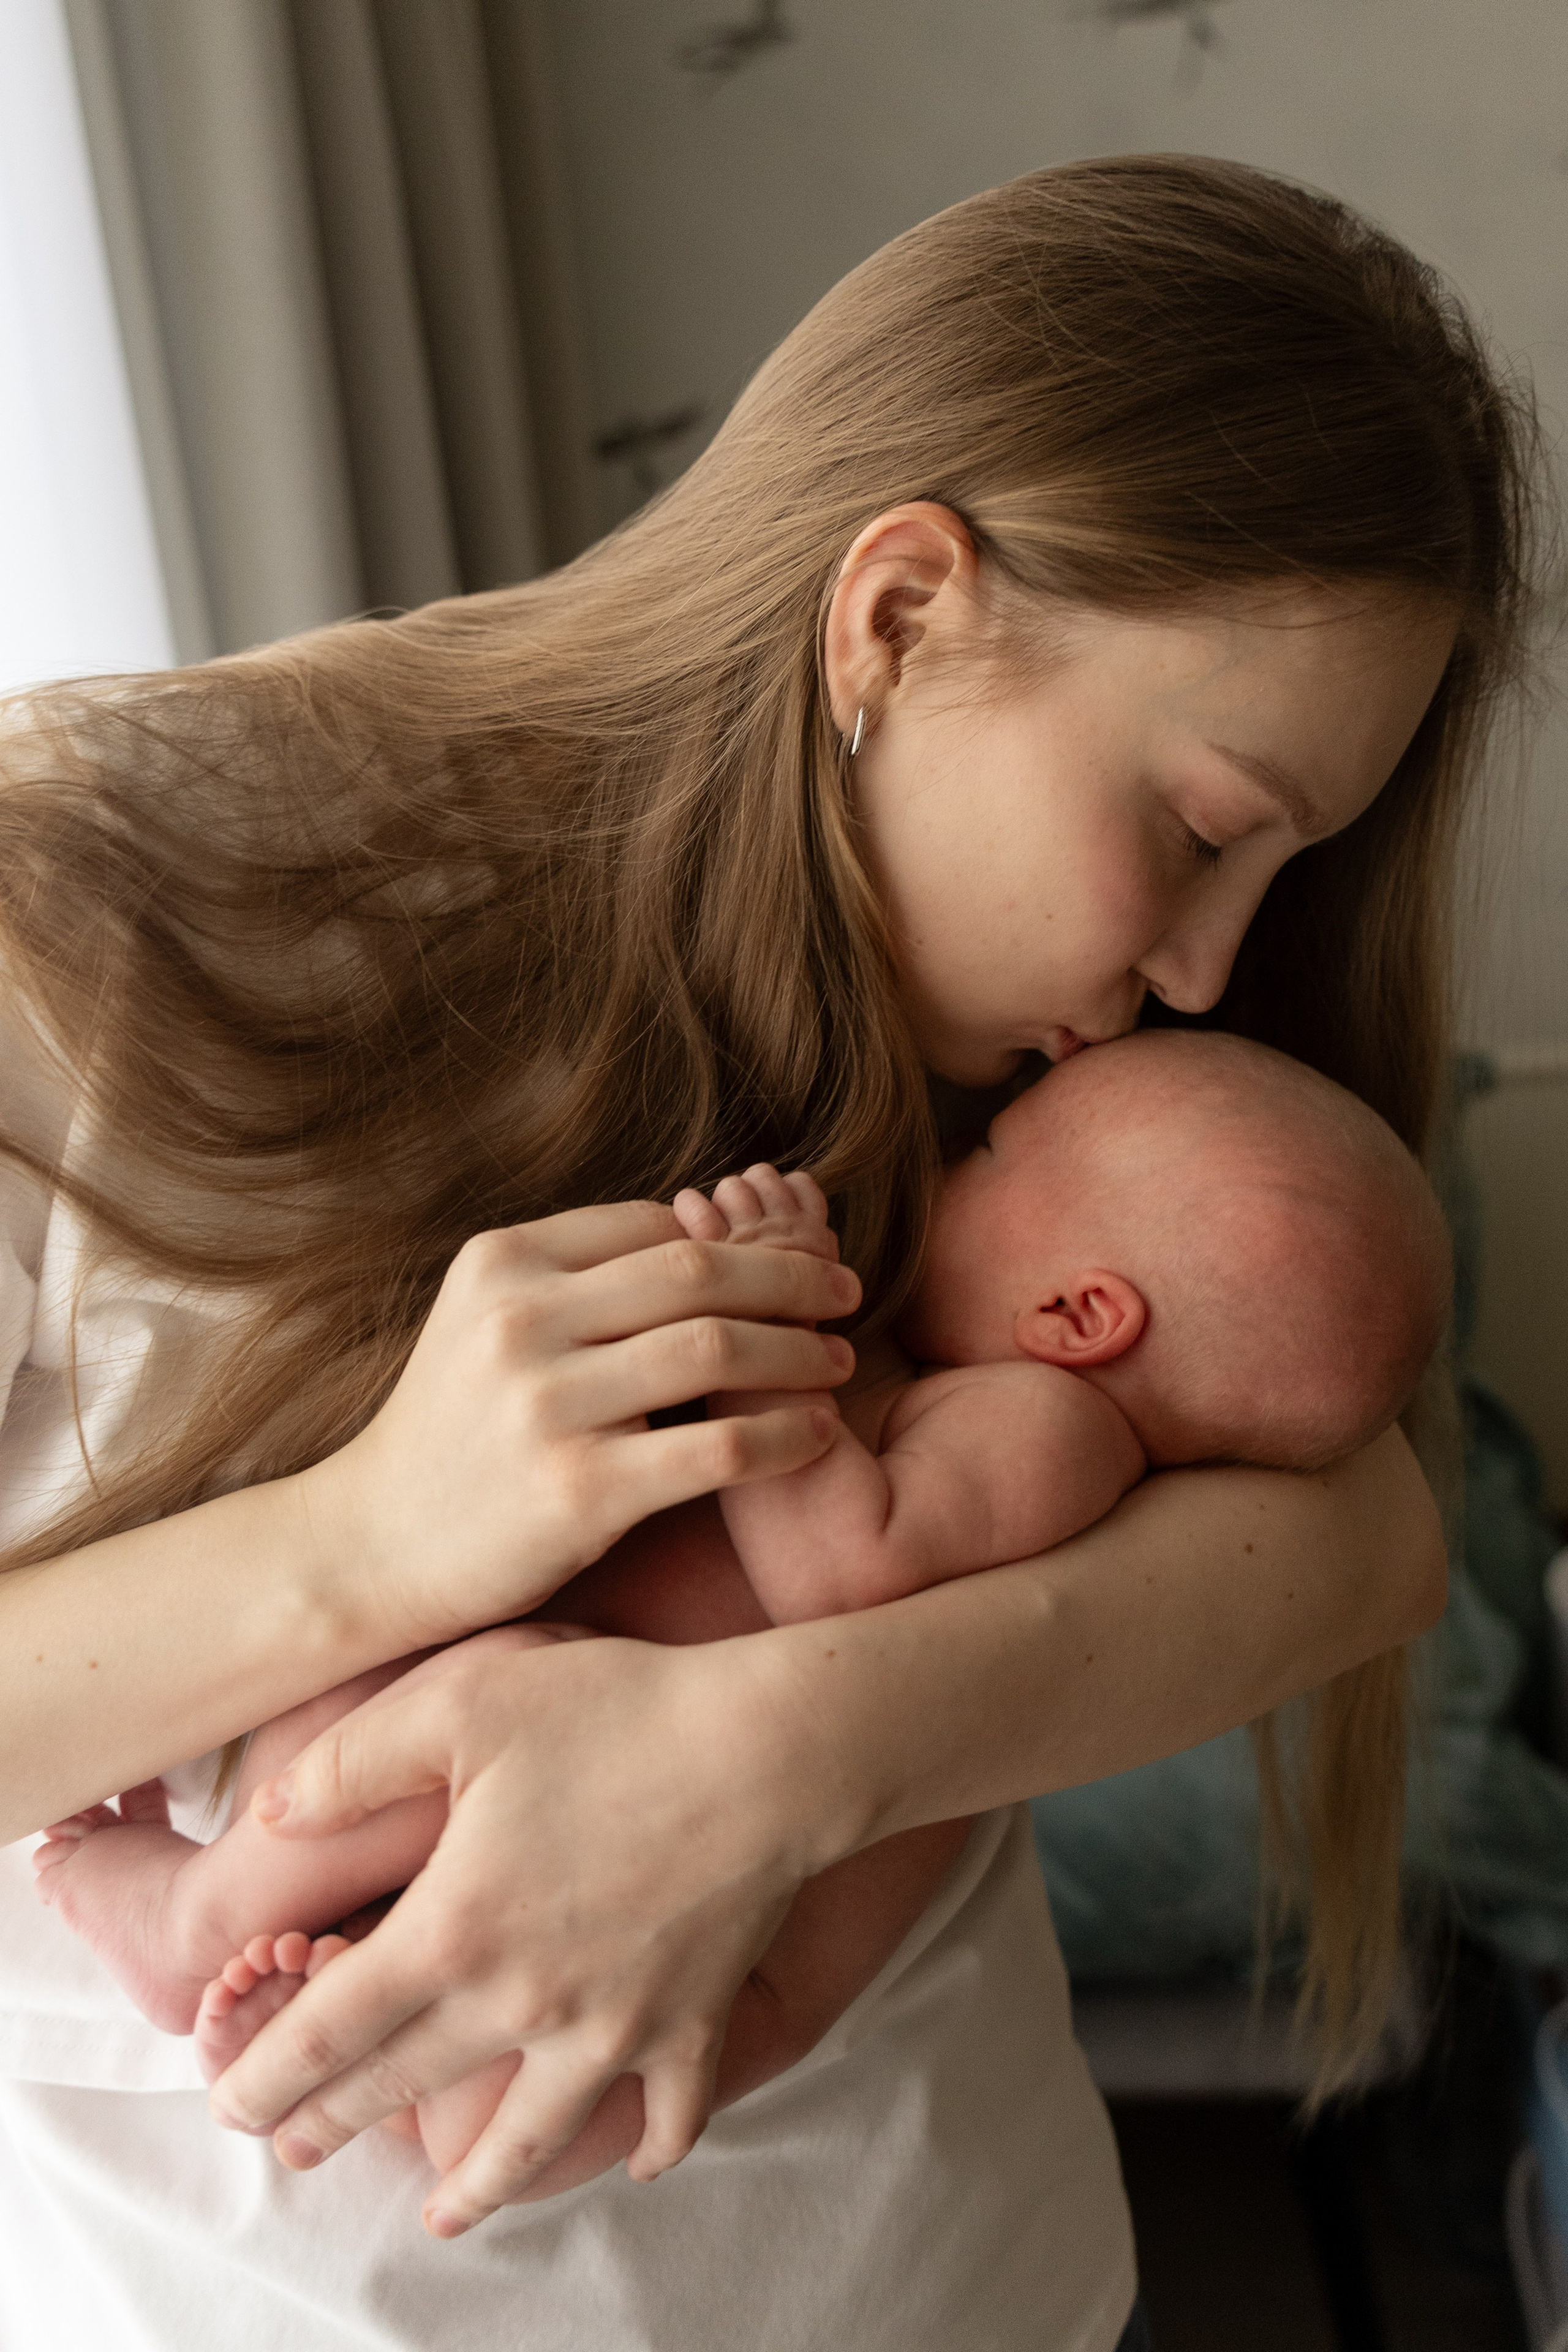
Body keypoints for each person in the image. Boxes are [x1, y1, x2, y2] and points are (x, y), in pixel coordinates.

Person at [0, 154, 1543, 2352]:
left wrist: (764, 1762)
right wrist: (371, 1539)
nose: (1211, 973)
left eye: (1277, 873)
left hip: (985, 2285)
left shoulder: (1041, 1068)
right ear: (896, 614)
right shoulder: (85, 910)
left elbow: (1360, 1530)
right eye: (1202, 829)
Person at [31, 1030, 1451, 2186]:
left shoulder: (1045, 1427)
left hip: (635, 1796)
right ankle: (381, 2042)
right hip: (666, 1891)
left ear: (1079, 1316)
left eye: (992, 1155)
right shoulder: (1017, 1409)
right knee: (518, 2017)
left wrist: (771, 1351)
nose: (949, 1164)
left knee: (443, 1706)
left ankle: (202, 1913)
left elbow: (851, 1577)